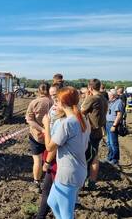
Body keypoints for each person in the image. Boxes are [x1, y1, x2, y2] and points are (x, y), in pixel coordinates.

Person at [42, 86, 90, 219]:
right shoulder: (83, 120)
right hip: (77, 170)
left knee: (66, 214)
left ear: (62, 103)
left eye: (57, 101)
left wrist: (47, 125)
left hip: (68, 174)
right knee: (52, 202)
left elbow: (50, 147)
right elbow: (85, 146)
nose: (55, 104)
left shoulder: (67, 123)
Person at [37, 83, 60, 219]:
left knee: (49, 189)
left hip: (54, 156)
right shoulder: (54, 107)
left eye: (55, 95)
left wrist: (47, 161)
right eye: (51, 95)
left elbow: (54, 145)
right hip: (53, 153)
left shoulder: (61, 115)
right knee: (48, 189)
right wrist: (46, 132)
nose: (53, 98)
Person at [26, 82, 53, 193]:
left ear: (39, 90)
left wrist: (42, 130)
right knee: (50, 160)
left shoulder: (34, 102)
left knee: (37, 160)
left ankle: (36, 183)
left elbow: (29, 120)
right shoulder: (54, 102)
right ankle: (50, 182)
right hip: (52, 137)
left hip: (36, 136)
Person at [81, 79, 108, 189]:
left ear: (90, 88)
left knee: (85, 157)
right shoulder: (103, 97)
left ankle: (82, 181)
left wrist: (87, 97)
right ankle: (92, 181)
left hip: (91, 132)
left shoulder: (92, 98)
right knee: (94, 156)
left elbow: (80, 111)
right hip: (99, 131)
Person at [103, 89, 124, 166]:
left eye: (109, 95)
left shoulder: (119, 102)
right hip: (108, 123)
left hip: (112, 124)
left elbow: (119, 115)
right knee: (109, 142)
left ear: (113, 95)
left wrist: (114, 125)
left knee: (113, 143)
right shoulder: (111, 102)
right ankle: (110, 157)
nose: (108, 96)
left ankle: (115, 160)